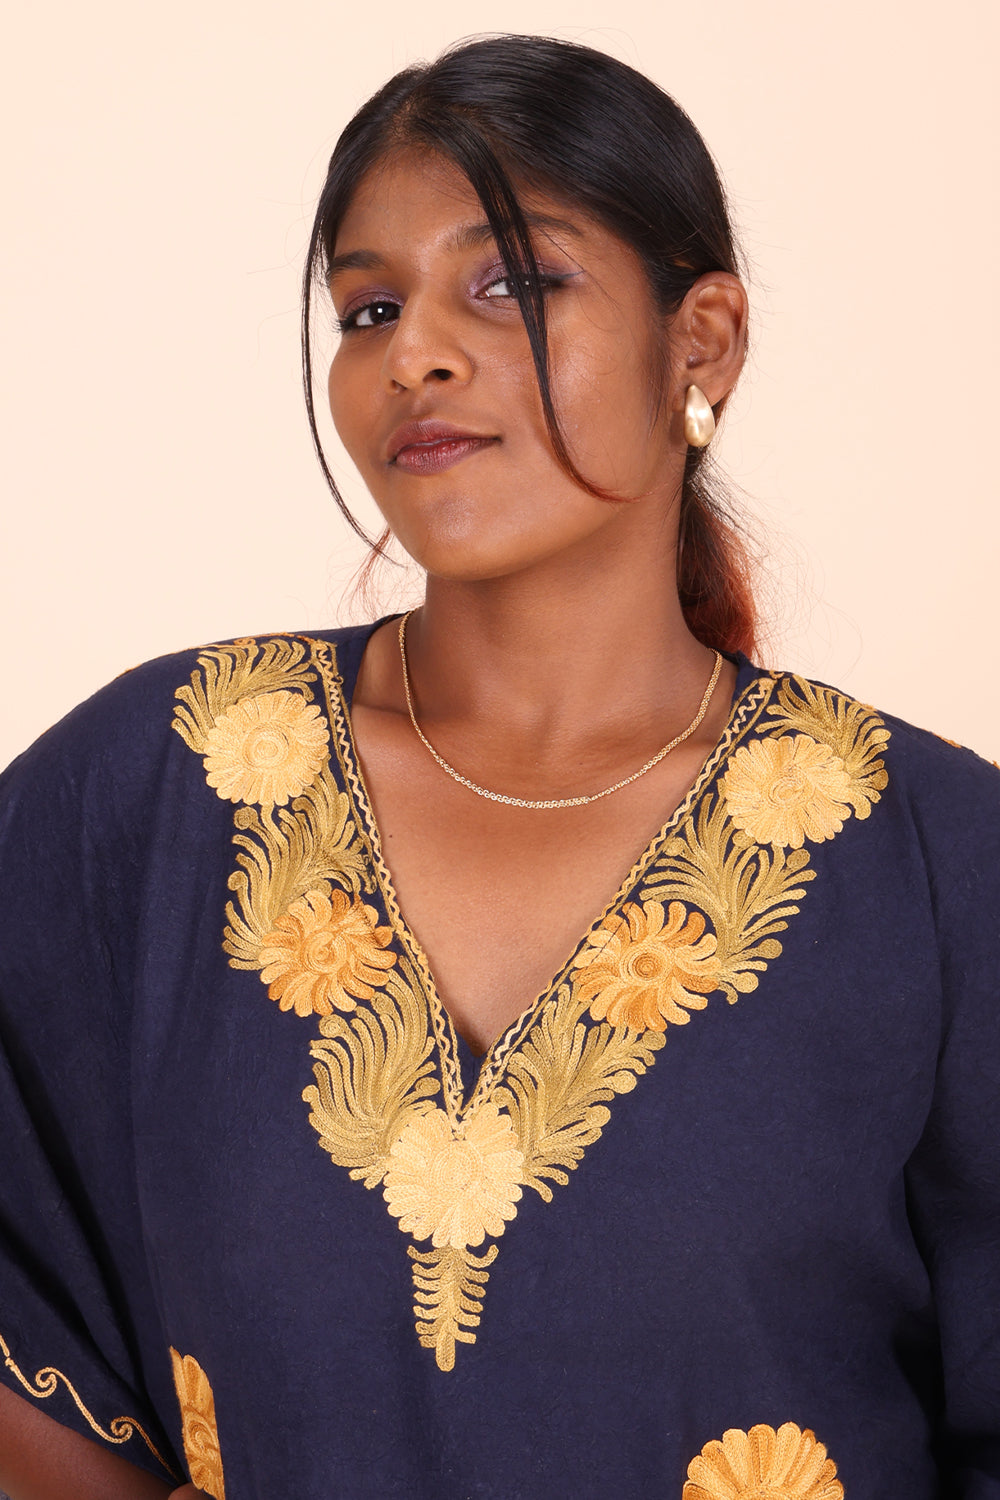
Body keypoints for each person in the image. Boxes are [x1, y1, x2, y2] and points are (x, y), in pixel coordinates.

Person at [1, 32, 998, 1500]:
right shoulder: (159, 793)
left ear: (701, 342)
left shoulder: (940, 867)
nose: (415, 352)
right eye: (371, 307)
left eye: (510, 284)